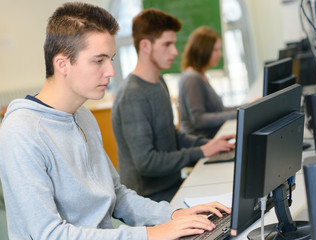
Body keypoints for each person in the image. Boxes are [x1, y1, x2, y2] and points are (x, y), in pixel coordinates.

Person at [0, 3, 231, 239]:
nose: (111, 71)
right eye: (99, 60)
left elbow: (117, 194)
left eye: (110, 59)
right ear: (62, 64)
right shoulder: (21, 132)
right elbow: (48, 234)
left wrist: (174, 215)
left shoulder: (83, 116)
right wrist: (149, 235)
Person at [112, 9, 235, 202]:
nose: (175, 52)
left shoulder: (159, 82)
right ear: (145, 46)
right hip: (149, 198)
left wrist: (210, 145)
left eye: (174, 44)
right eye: (167, 44)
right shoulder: (132, 94)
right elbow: (147, 163)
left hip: (172, 186)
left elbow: (171, 135)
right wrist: (200, 152)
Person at [179, 26, 237, 139]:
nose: (219, 54)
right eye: (215, 50)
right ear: (203, 51)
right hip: (201, 142)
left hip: (211, 137)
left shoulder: (201, 75)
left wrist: (246, 107)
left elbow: (220, 110)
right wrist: (237, 114)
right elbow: (199, 120)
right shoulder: (192, 78)